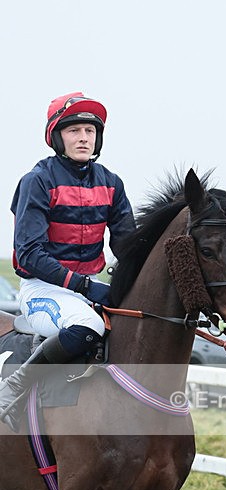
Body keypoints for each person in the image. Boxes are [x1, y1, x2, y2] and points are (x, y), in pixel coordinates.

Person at [0, 92, 135, 430]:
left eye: (89, 131)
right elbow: (29, 253)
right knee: (87, 326)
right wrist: (83, 285)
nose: (83, 138)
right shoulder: (37, 181)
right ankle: (13, 386)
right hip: (42, 290)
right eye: (74, 130)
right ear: (57, 137)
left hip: (89, 289)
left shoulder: (112, 184)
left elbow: (129, 246)